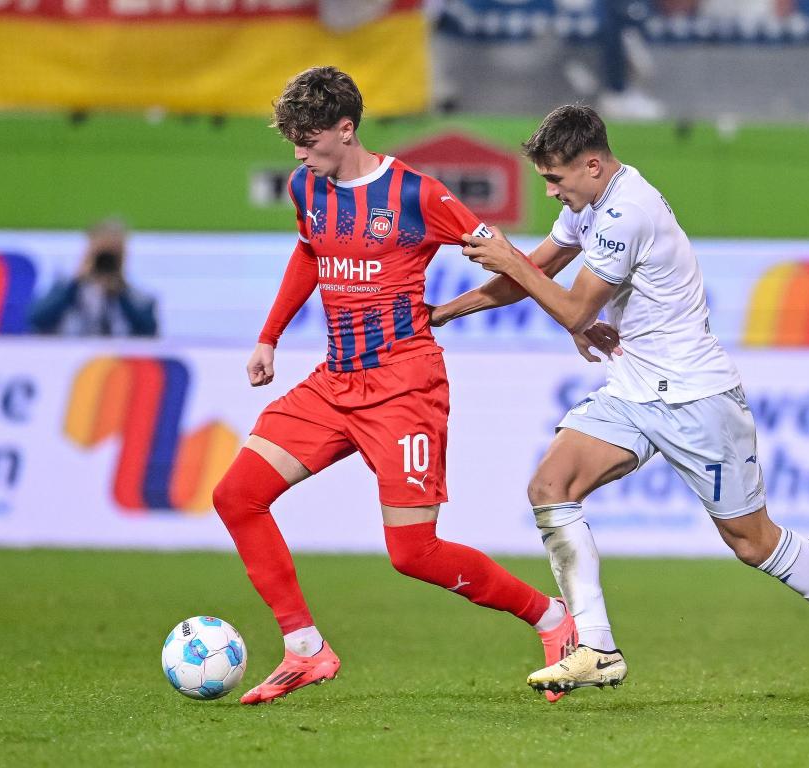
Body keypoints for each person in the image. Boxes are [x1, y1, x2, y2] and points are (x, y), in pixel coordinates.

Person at [431, 104, 809, 708]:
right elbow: (533, 273)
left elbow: (574, 308)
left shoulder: (627, 211)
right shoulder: (590, 206)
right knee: (551, 485)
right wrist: (440, 314)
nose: (551, 190)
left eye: (556, 179)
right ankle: (596, 647)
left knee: (751, 541)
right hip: (631, 389)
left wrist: (512, 261)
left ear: (593, 165)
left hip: (695, 396)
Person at [211, 66, 576, 706]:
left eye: (308, 139)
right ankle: (304, 648)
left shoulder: (418, 195)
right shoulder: (307, 187)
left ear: (345, 129)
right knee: (237, 496)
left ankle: (552, 618)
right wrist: (269, 336)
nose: (298, 153)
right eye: (293, 140)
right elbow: (309, 253)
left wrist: (574, 319)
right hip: (334, 382)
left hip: (404, 387)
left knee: (413, 552)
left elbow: (510, 259)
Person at [28, 218, 157, 337]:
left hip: (117, 359)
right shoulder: (65, 288)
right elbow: (36, 319)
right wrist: (76, 283)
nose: (105, 261)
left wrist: (120, 292)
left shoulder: (136, 296)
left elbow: (149, 331)